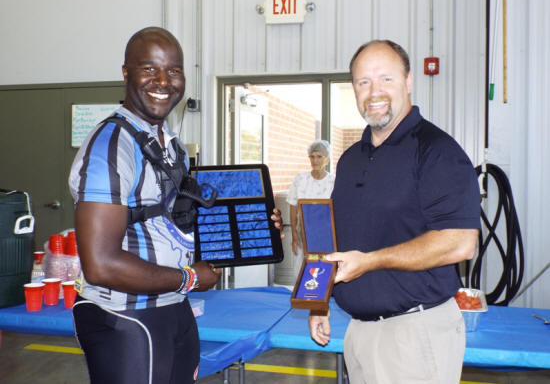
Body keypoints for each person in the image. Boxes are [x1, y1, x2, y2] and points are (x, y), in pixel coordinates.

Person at [68, 27, 282, 384]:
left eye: (174, 70)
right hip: (127, 316)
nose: (164, 81)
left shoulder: (171, 145)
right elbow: (100, 264)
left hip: (172, 306)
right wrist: (190, 278)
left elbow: (179, 221)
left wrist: (255, 226)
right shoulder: (111, 145)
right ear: (126, 73)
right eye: (149, 69)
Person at [308, 40, 480, 384]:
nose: (374, 92)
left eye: (386, 78)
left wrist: (371, 261)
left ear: (408, 81)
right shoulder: (351, 159)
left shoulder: (437, 151)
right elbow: (334, 236)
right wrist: (317, 300)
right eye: (363, 82)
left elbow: (460, 242)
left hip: (415, 334)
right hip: (359, 332)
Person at [287, 140, 335, 279]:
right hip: (303, 233)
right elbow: (293, 206)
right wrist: (294, 234)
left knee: (322, 271)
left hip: (325, 235)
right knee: (302, 271)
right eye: (312, 156)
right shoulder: (300, 179)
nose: (315, 160)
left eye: (319, 156)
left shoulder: (333, 181)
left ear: (327, 159)